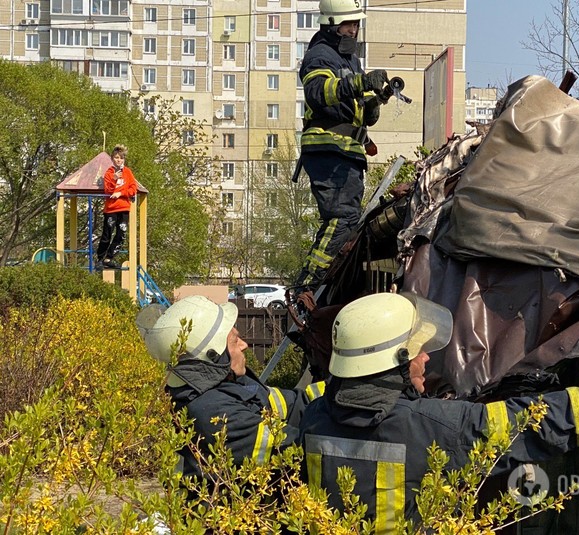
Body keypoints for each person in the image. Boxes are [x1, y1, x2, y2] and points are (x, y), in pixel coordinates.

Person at [299, 292, 579, 532]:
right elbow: (549, 420)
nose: (425, 357)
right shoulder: (436, 429)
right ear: (394, 363)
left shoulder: (313, 416)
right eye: (416, 350)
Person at [136, 295, 325, 488]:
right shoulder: (216, 416)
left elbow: (292, 404)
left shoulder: (219, 388)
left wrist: (336, 388)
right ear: (214, 356)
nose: (244, 345)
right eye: (235, 341)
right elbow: (303, 451)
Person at [293, 0, 391, 295]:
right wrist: (360, 84)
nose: (354, 30)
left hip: (347, 152)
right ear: (331, 23)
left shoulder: (350, 61)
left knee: (348, 222)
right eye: (349, 24)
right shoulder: (319, 55)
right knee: (343, 219)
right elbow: (317, 93)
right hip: (328, 150)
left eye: (357, 24)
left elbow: (352, 107)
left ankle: (325, 289)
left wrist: (372, 104)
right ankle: (307, 286)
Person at [97, 144, 137, 269]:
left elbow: (133, 189)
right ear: (112, 158)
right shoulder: (109, 173)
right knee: (107, 234)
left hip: (124, 208)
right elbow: (108, 190)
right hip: (111, 209)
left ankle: (109, 258)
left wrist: (121, 193)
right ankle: (100, 259)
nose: (119, 160)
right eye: (116, 157)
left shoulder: (128, 172)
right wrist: (114, 179)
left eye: (121, 158)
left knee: (121, 234)